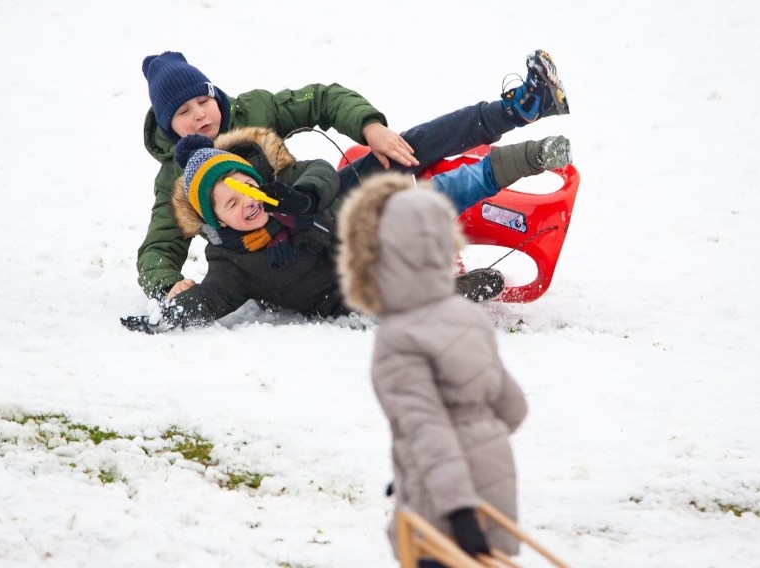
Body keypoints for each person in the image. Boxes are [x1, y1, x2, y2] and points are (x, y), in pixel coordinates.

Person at [137, 50, 570, 301]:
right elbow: (158, 246)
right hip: (283, 260)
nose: (198, 117)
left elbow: (323, 99)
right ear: (167, 124)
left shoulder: (252, 111)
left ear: (214, 95)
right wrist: (167, 285)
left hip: (316, 202)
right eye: (181, 113)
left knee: (405, 148)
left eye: (201, 102)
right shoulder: (173, 181)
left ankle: (517, 109)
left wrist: (370, 128)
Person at [120, 124, 571, 333]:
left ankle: (529, 156)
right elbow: (208, 299)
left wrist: (307, 198)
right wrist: (164, 313)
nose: (247, 205)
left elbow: (320, 170)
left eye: (246, 190)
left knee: (437, 196)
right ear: (217, 220)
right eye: (231, 205)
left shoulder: (283, 192)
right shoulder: (233, 265)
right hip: (349, 294)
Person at [335, 172, 529, 565]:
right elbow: (513, 407)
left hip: (449, 510)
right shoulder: (467, 317)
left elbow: (427, 429)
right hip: (495, 487)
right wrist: (477, 440)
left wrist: (457, 506)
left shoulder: (399, 338)